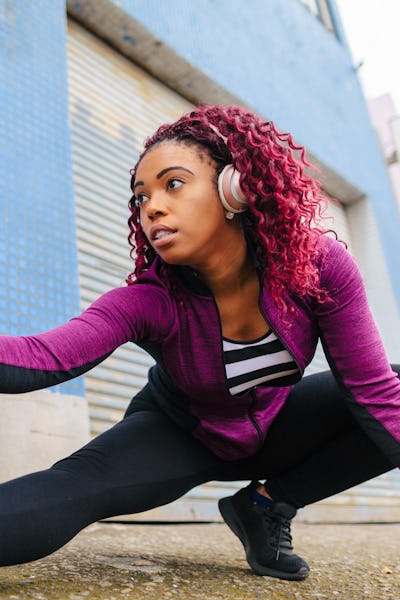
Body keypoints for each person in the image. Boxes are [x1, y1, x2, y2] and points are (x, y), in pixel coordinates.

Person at [0, 104, 399, 581]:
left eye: (172, 184)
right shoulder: (150, 299)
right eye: (141, 196)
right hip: (180, 435)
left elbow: (374, 393)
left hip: (274, 427)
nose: (152, 207)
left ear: (236, 187)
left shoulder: (317, 267)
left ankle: (265, 506)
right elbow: (44, 358)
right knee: (73, 487)